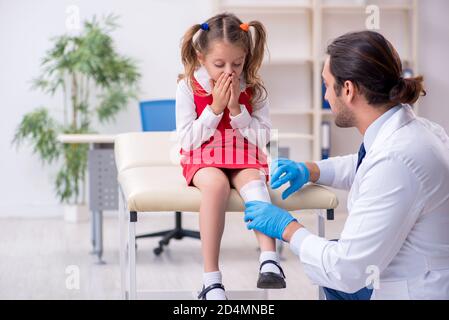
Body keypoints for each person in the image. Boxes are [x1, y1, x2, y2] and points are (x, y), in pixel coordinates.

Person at [244, 31, 449, 300]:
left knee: (333, 269)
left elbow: (346, 270)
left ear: (349, 90)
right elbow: (364, 165)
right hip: (413, 265)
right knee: (329, 257)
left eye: (327, 85)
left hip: (413, 289)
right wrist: (311, 169)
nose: (327, 95)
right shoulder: (415, 131)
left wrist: (287, 227)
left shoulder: (396, 160)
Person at [176, 13, 285, 300]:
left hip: (242, 151)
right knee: (216, 186)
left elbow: (263, 139)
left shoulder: (254, 88)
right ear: (201, 57)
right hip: (202, 154)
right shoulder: (188, 86)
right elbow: (186, 140)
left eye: (237, 64)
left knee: (254, 180)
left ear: (246, 57)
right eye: (219, 64)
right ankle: (211, 280)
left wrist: (237, 110)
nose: (229, 71)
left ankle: (269, 260)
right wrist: (214, 109)